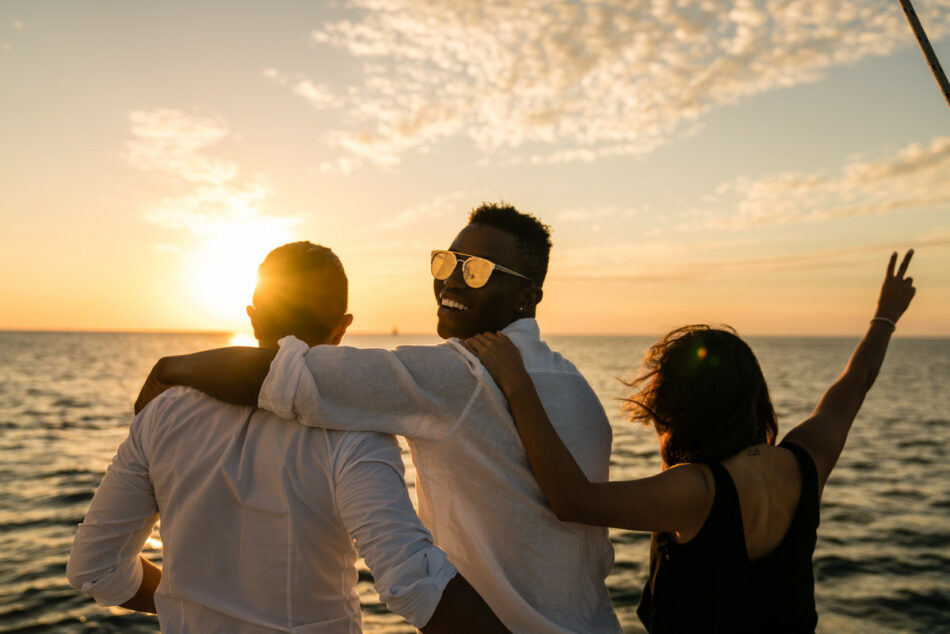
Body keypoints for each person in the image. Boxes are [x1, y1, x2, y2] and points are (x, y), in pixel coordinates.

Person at [134, 204, 623, 633]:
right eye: (447, 261)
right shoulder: (577, 388)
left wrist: (170, 367)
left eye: (476, 270)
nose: (451, 278)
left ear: (526, 297)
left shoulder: (460, 373)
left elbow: (288, 375)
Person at [462, 251, 917, 632]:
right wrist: (885, 317)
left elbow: (573, 500)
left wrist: (518, 384)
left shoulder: (695, 491)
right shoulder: (807, 461)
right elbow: (853, 386)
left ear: (678, 408)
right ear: (753, 394)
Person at [67, 241, 505, 633]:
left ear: (253, 318)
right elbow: (413, 582)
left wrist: (196, 607)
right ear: (343, 326)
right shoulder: (354, 430)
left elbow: (95, 568)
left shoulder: (162, 413)